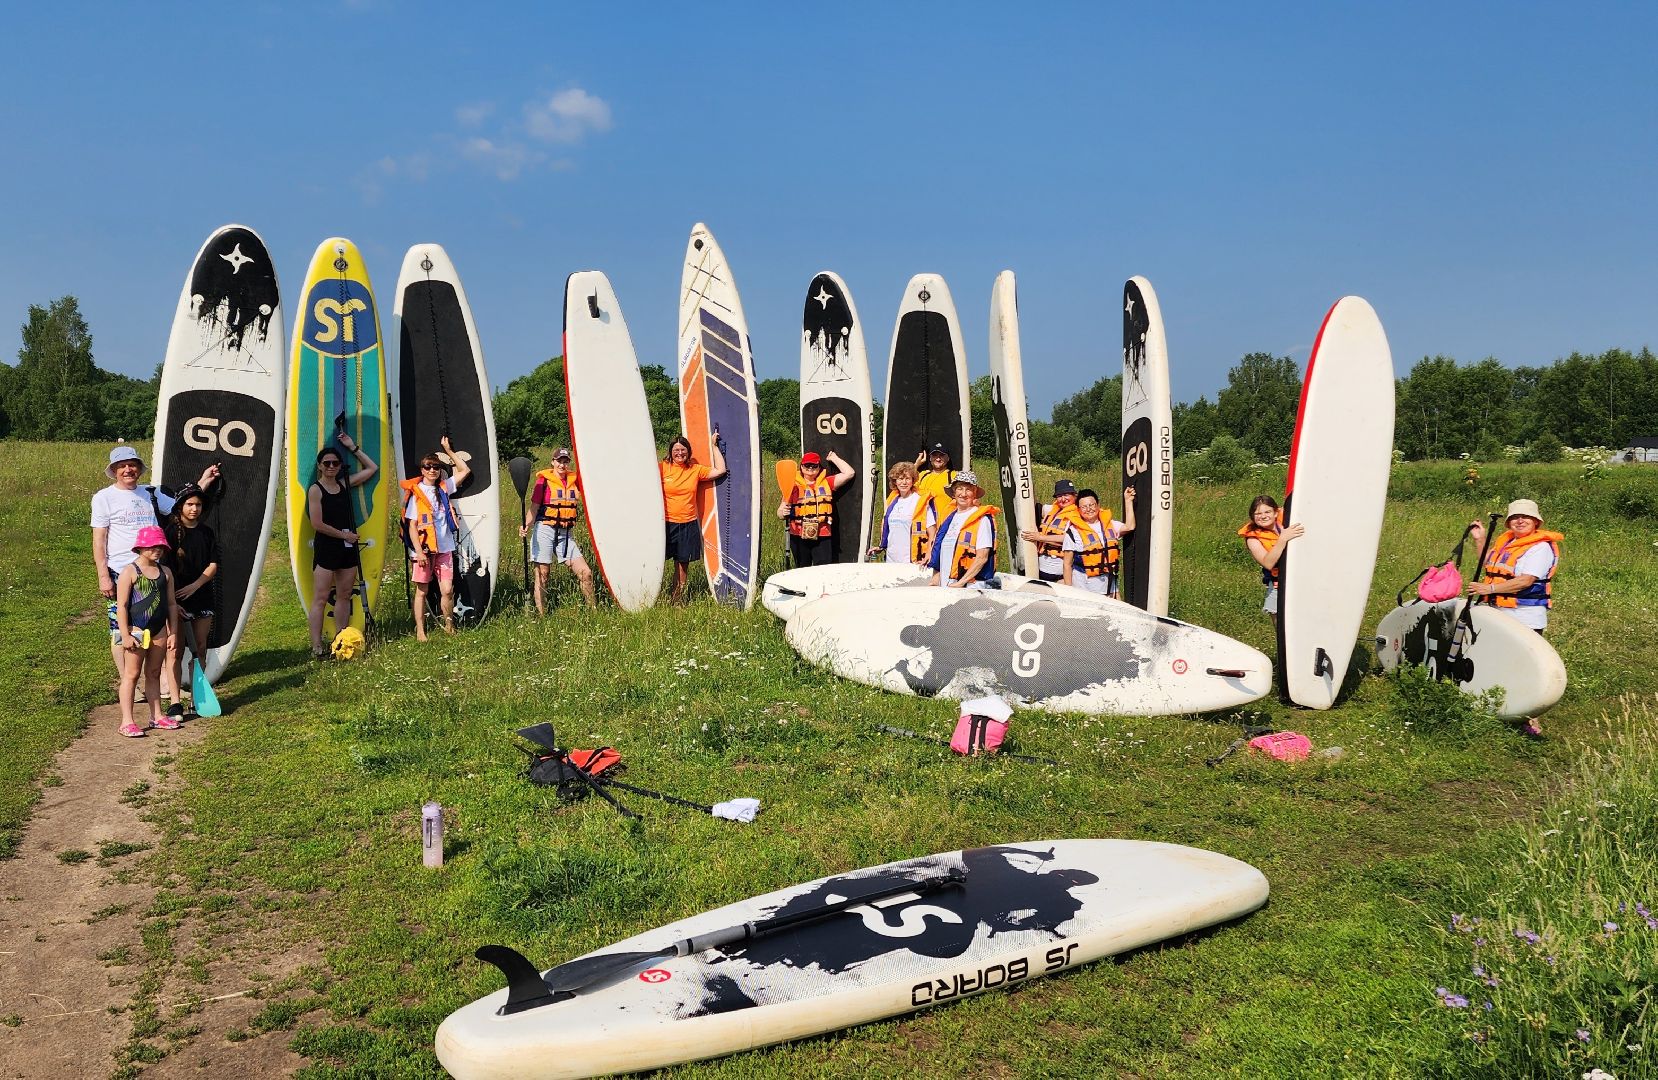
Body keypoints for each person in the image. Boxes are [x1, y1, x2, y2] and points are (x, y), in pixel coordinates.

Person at [91, 445, 218, 693]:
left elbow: (184, 504)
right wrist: (104, 575)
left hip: (153, 571)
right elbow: (99, 539)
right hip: (121, 571)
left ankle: (160, 682)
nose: (128, 470)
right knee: (121, 627)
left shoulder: (151, 492)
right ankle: (131, 683)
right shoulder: (103, 498)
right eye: (122, 466)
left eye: (132, 465)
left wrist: (204, 481)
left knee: (157, 625)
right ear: (114, 470)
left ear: (138, 468)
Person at [307, 433, 376, 658]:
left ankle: (341, 640)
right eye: (326, 463)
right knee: (320, 597)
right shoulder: (316, 490)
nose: (331, 466)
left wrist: (352, 447)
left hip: (347, 549)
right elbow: (317, 523)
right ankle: (317, 645)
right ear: (319, 466)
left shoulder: (345, 483)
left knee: (345, 594)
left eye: (335, 463)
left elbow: (371, 468)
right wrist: (343, 536)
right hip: (327, 547)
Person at [401, 435, 472, 641]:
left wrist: (448, 451)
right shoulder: (416, 493)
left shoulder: (443, 487)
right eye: (428, 467)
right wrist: (420, 552)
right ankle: (421, 631)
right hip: (423, 550)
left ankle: (449, 626)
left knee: (448, 590)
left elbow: (465, 470)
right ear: (422, 470)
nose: (432, 470)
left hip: (444, 548)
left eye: (435, 467)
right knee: (422, 592)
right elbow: (412, 525)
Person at [113, 526, 180, 738]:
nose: (157, 550)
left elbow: (171, 604)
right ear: (140, 547)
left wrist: (173, 632)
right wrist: (125, 634)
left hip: (159, 631)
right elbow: (122, 605)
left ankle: (157, 715)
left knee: (153, 673)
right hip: (136, 631)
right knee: (131, 675)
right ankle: (127, 721)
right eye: (152, 546)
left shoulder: (165, 572)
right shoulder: (130, 572)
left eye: (161, 546)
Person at [164, 491, 220, 724]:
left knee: (200, 648)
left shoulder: (207, 532)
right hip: (174, 599)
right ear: (180, 507)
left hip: (202, 597)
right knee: (174, 650)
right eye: (189, 504)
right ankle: (175, 702)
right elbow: (163, 572)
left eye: (198, 505)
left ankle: (197, 699)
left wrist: (196, 586)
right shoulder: (169, 534)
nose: (194, 509)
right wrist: (173, 602)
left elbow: (213, 565)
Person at [1466, 498, 1561, 634]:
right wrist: (1480, 539)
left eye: (1526, 516)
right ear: (1509, 523)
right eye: (1515, 517)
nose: (1520, 520)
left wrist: (1489, 589)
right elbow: (1489, 564)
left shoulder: (1540, 547)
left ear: (1536, 521)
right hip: (1500, 613)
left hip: (1525, 618)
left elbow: (1525, 581)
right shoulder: (1508, 542)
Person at [521, 447, 597, 612]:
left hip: (566, 534)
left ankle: (594, 612)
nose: (562, 465)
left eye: (565, 461)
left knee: (586, 573)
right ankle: (542, 616)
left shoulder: (574, 479)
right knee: (543, 574)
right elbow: (534, 508)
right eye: (559, 461)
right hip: (545, 530)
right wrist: (526, 524)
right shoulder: (544, 481)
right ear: (553, 462)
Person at [659, 435, 727, 603]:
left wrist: (714, 446)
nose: (679, 453)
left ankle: (676, 600)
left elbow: (720, 470)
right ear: (670, 452)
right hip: (665, 525)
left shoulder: (695, 470)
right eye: (676, 450)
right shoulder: (662, 468)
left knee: (682, 566)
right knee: (656, 563)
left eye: (683, 450)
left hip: (687, 524)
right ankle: (650, 595)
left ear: (688, 452)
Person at [778, 450, 855, 567]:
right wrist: (783, 513)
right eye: (807, 465)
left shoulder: (827, 483)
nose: (810, 468)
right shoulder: (792, 486)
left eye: (814, 465)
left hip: (822, 535)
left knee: (822, 571)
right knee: (802, 570)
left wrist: (834, 458)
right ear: (801, 466)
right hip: (798, 535)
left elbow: (849, 473)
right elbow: (780, 512)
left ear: (819, 467)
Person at [927, 471, 1001, 589]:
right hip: (947, 585)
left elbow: (982, 557)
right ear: (953, 492)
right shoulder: (949, 518)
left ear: (975, 493)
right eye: (959, 489)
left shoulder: (982, 519)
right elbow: (941, 552)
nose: (963, 494)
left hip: (968, 587)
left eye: (968, 490)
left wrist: (960, 583)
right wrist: (936, 578)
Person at [1061, 488, 1138, 597]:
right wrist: (1068, 591)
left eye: (1092, 505)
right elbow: (1067, 564)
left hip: (1109, 585)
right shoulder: (1073, 532)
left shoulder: (1111, 525)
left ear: (1098, 505)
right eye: (1084, 507)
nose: (1088, 509)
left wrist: (1128, 501)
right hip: (1083, 589)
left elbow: (1130, 526)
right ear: (1078, 509)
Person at [1238, 494, 1303, 619]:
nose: (1263, 516)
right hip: (1279, 583)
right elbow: (1268, 563)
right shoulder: (1252, 538)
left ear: (1275, 512)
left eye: (1267, 511)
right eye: (1258, 514)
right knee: (1280, 625)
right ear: (1252, 517)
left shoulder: (1290, 518)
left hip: (1302, 578)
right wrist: (1282, 539)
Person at [869, 461, 936, 566]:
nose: (904, 482)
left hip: (912, 560)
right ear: (895, 481)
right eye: (900, 479)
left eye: (907, 478)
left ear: (913, 481)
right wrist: (881, 547)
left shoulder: (920, 501)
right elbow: (890, 530)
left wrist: (929, 553)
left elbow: (932, 532)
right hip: (891, 559)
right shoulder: (892, 501)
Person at [1021, 479, 1085, 582]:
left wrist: (1040, 537)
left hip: (1060, 573)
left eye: (1066, 495)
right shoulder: (1053, 510)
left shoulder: (1079, 515)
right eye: (1059, 496)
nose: (1063, 499)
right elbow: (1035, 507)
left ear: (1074, 495)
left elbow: (1070, 539)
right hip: (1041, 569)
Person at [913, 443, 960, 523]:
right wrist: (916, 464)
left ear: (948, 458)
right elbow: (904, 485)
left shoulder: (954, 476)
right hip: (922, 527)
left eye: (942, 455)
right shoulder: (922, 475)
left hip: (944, 526)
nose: (938, 459)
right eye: (935, 455)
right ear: (930, 458)